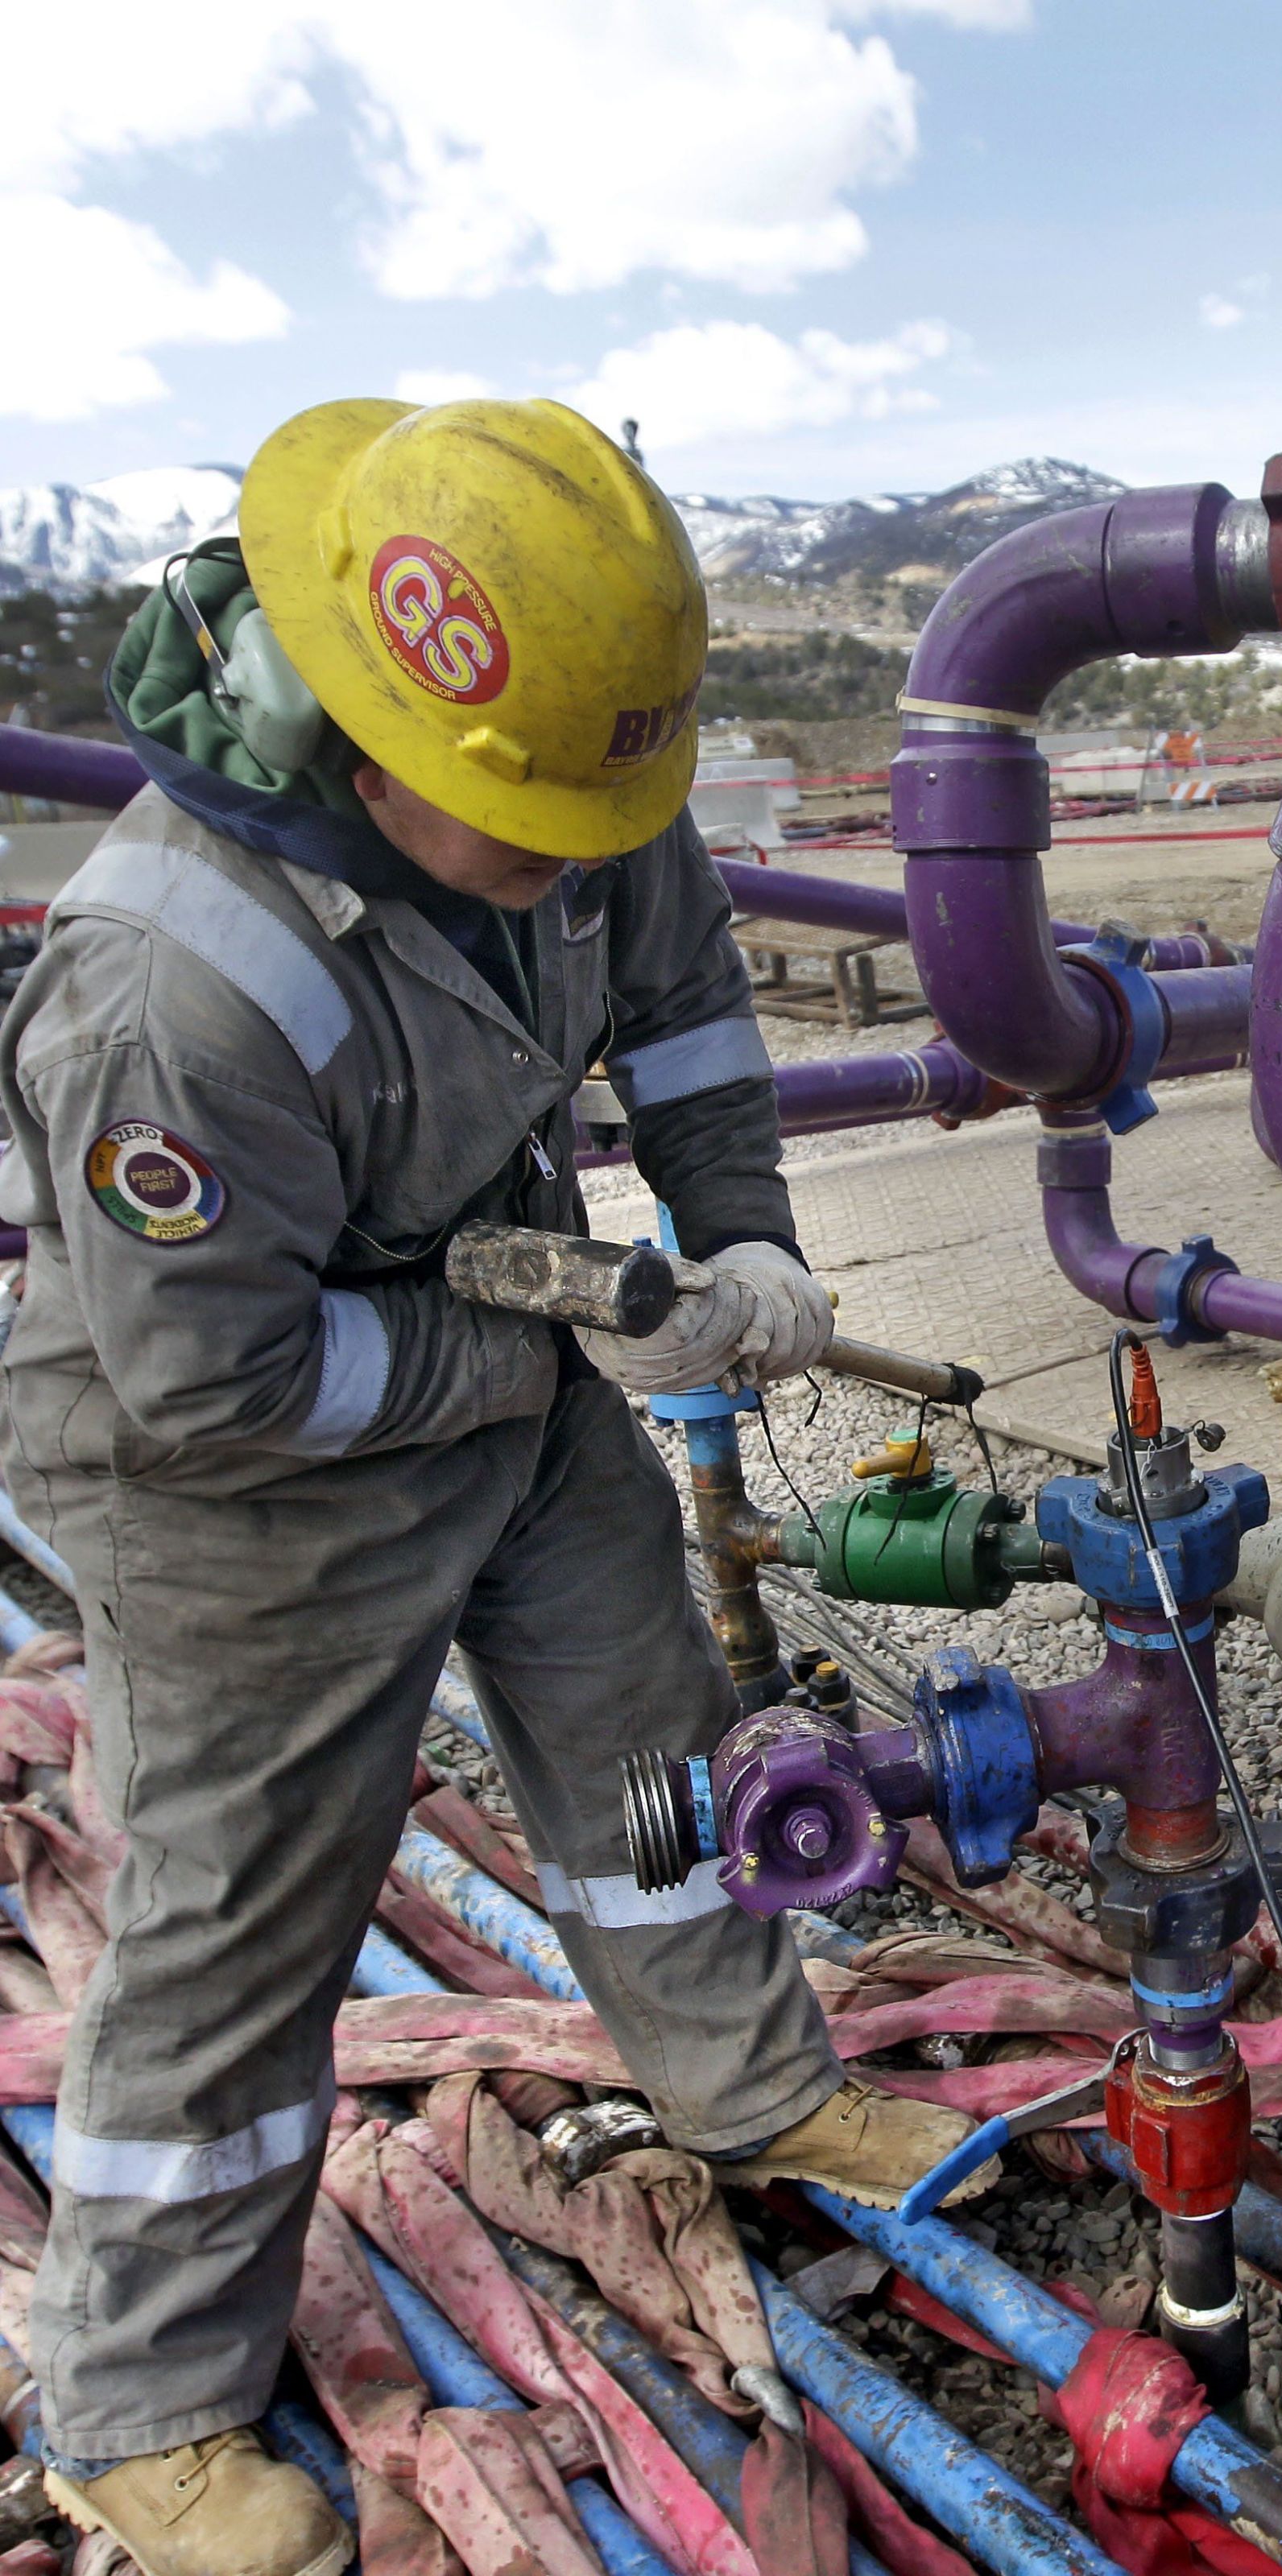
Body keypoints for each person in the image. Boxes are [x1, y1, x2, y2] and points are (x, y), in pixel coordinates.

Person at [0, 398, 983, 2576]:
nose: (577, 857)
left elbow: (694, 1002)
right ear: (370, 745)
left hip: (503, 1368)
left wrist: (742, 1251)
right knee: (233, 1931)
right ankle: (136, 2411)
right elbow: (215, 1372)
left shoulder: (560, 761)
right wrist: (546, 1339)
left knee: (652, 1757)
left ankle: (749, 2090)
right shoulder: (169, 992)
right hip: (231, 1473)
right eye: (529, 824)